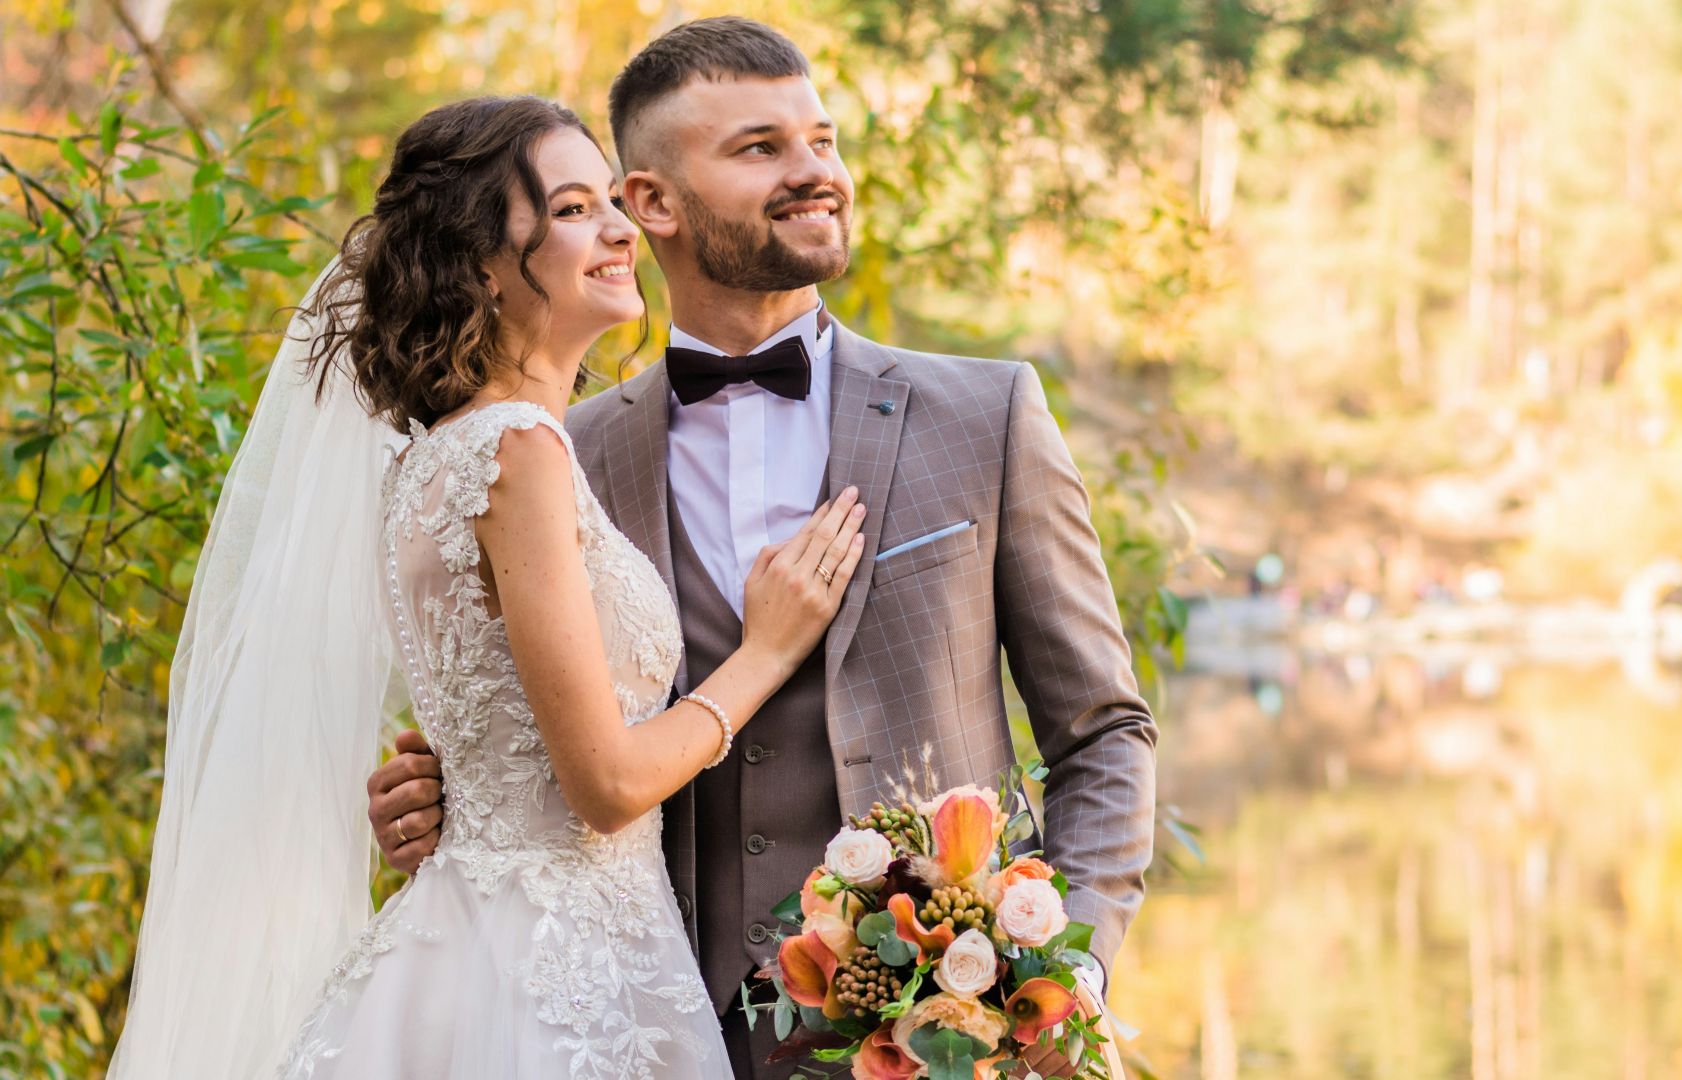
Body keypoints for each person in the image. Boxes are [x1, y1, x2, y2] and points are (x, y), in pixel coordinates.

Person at [367, 18, 1158, 1076]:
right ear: (650, 202)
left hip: (941, 1039)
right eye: (760, 149)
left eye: (821, 141)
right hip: (651, 1017)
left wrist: (1068, 974)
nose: (814, 173)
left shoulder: (985, 416)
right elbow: (541, 738)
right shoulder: (557, 449)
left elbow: (1104, 732)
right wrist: (440, 795)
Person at [109, 95, 862, 1079]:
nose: (619, 229)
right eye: (574, 209)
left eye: (612, 204)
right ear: (482, 261)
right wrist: (765, 651)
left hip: (480, 943)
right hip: (556, 973)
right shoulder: (515, 453)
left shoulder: (438, 458)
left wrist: (443, 789)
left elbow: (497, 731)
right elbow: (606, 787)